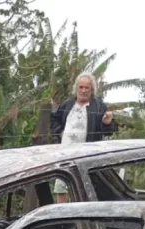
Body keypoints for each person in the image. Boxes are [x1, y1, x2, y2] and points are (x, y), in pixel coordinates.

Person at [50, 72, 118, 202]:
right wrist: (59, 132)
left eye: (87, 88)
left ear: (92, 90)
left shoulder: (98, 106)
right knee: (61, 188)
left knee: (83, 189)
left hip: (86, 156)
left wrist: (106, 123)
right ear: (76, 88)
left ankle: (80, 219)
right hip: (65, 154)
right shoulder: (67, 104)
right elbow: (54, 119)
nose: (84, 90)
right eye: (81, 87)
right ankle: (63, 219)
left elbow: (109, 130)